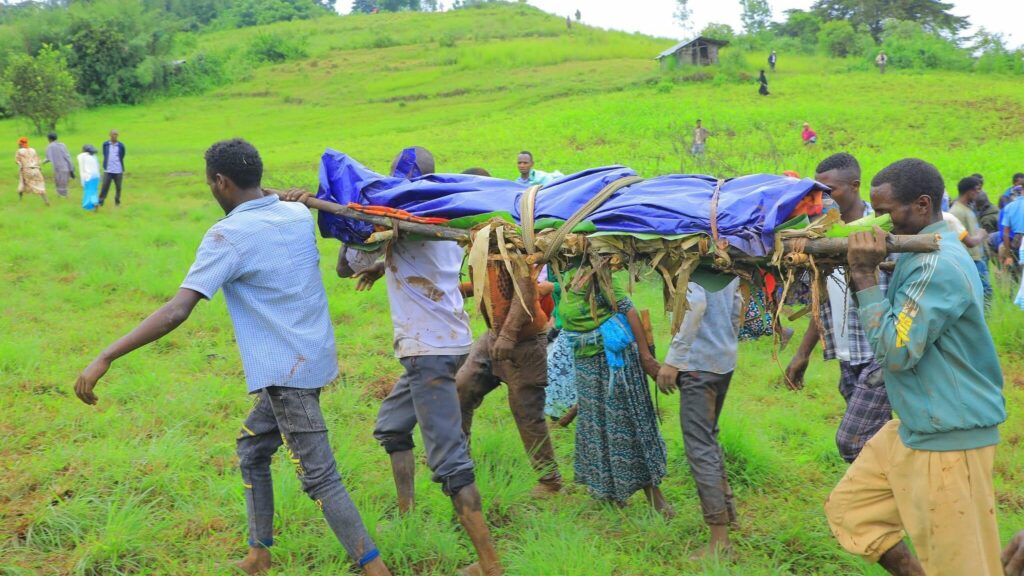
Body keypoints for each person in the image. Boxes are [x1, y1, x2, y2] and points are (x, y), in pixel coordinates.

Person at [72, 139, 392, 576]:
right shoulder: (297, 213)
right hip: (313, 357)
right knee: (252, 448)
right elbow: (274, 197)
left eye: (210, 183)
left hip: (286, 374)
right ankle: (259, 555)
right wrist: (288, 193)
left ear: (221, 182)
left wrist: (106, 355)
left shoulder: (228, 236)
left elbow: (176, 310)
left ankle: (376, 569)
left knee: (320, 477)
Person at [824, 158, 1006, 576]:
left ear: (923, 205)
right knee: (854, 509)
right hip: (914, 424)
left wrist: (864, 274)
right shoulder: (916, 250)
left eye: (888, 212)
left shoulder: (937, 264)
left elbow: (895, 350)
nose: (881, 222)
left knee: (963, 567)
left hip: (950, 437)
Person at [332, 146, 505, 576]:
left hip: (429, 352)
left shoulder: (399, 221)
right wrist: (383, 263)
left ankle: (489, 563)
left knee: (448, 460)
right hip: (443, 344)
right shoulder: (441, 218)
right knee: (391, 426)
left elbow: (345, 264)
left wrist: (354, 229)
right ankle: (407, 515)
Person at [785, 153, 892, 463]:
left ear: (855, 186)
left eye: (831, 190)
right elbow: (824, 299)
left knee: (851, 441)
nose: (824, 198)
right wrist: (802, 353)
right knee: (875, 442)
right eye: (820, 190)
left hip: (880, 354)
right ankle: (889, 501)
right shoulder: (820, 231)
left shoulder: (883, 229)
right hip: (847, 354)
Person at [559, 266, 671, 517]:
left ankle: (656, 498)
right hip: (586, 363)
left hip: (612, 363)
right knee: (597, 426)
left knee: (624, 425)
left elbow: (628, 309)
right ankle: (609, 493)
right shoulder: (567, 274)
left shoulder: (600, 275)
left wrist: (645, 357)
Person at [456, 249, 563, 498]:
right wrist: (457, 290)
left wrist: (508, 334)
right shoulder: (484, 251)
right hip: (494, 336)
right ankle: (458, 460)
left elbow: (526, 291)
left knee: (526, 411)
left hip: (524, 342)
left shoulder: (513, 250)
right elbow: (489, 285)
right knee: (461, 386)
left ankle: (550, 480)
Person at [657, 278, 742, 558]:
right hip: (722, 360)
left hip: (698, 365)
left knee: (700, 447)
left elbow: (695, 304)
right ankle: (729, 513)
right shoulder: (723, 262)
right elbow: (736, 303)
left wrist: (673, 359)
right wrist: (728, 340)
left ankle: (720, 540)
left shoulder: (690, 261)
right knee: (709, 437)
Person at [951, 176, 993, 304]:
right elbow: (960, 239)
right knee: (984, 292)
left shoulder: (967, 209)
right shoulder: (957, 211)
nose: (978, 193)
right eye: (977, 190)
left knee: (984, 292)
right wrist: (981, 235)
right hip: (969, 259)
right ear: (969, 191)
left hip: (977, 258)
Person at [15, 137, 49, 206]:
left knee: (22, 184)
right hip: (36, 170)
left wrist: (20, 166)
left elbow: (17, 162)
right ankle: (46, 201)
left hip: (26, 170)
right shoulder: (33, 150)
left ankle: (20, 201)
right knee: (40, 186)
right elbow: (38, 160)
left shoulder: (19, 151)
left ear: (20, 144)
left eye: (19, 144)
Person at [43, 132, 74, 198]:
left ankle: (62, 197)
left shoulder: (49, 147)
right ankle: (64, 196)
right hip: (66, 167)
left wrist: (43, 162)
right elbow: (68, 157)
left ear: (49, 139)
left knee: (59, 183)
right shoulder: (63, 145)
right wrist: (71, 168)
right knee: (64, 183)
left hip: (57, 168)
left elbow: (48, 158)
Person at [99, 129, 126, 207]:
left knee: (118, 187)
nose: (115, 135)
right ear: (110, 135)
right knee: (105, 186)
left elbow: (122, 155)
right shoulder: (106, 144)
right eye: (114, 134)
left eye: (116, 134)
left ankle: (117, 202)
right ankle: (101, 201)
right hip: (108, 170)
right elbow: (105, 154)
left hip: (118, 170)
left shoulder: (121, 145)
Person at [77, 144, 101, 211]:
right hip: (96, 176)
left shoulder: (81, 156)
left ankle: (89, 206)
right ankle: (95, 203)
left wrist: (82, 181)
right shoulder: (94, 156)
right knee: (93, 191)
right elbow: (98, 167)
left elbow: (81, 169)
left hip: (88, 177)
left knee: (88, 192)